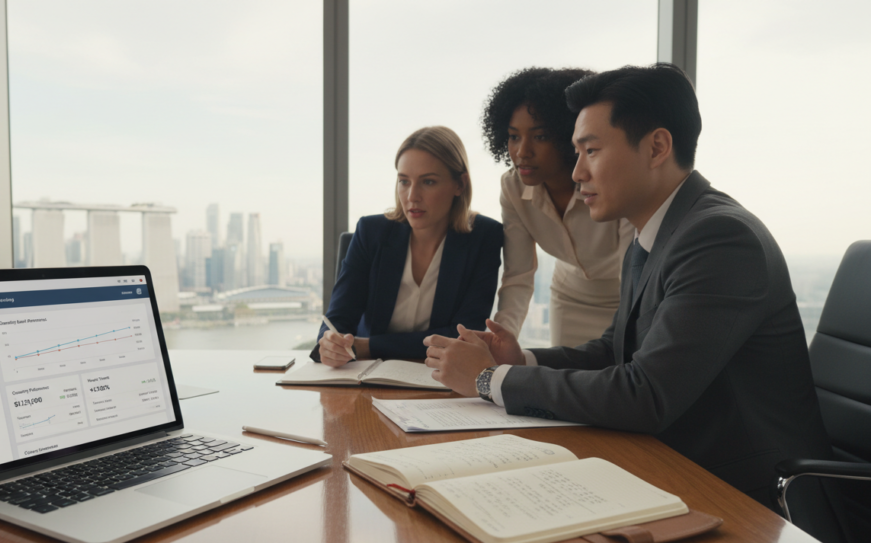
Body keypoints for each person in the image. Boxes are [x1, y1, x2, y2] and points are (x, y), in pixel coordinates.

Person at [424, 64, 832, 511]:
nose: (577, 173)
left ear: (657, 147)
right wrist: (520, 359)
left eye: (591, 151)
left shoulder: (719, 239)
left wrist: (489, 380)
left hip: (753, 497)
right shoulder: (656, 232)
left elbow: (645, 395)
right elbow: (617, 349)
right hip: (681, 464)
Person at [314, 126, 503, 366]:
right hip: (364, 376)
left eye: (429, 182)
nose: (412, 196)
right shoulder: (371, 232)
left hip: (440, 378)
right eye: (404, 181)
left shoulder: (484, 237)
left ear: (460, 184)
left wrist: (369, 346)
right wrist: (330, 343)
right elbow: (335, 322)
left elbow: (465, 336)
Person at [484, 68, 633, 346]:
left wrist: (631, 326)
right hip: (570, 299)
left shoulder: (610, 181)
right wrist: (500, 340)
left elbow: (633, 271)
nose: (522, 152)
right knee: (567, 382)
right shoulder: (513, 189)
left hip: (627, 299)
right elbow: (518, 275)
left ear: (569, 137)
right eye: (514, 136)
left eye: (539, 137)